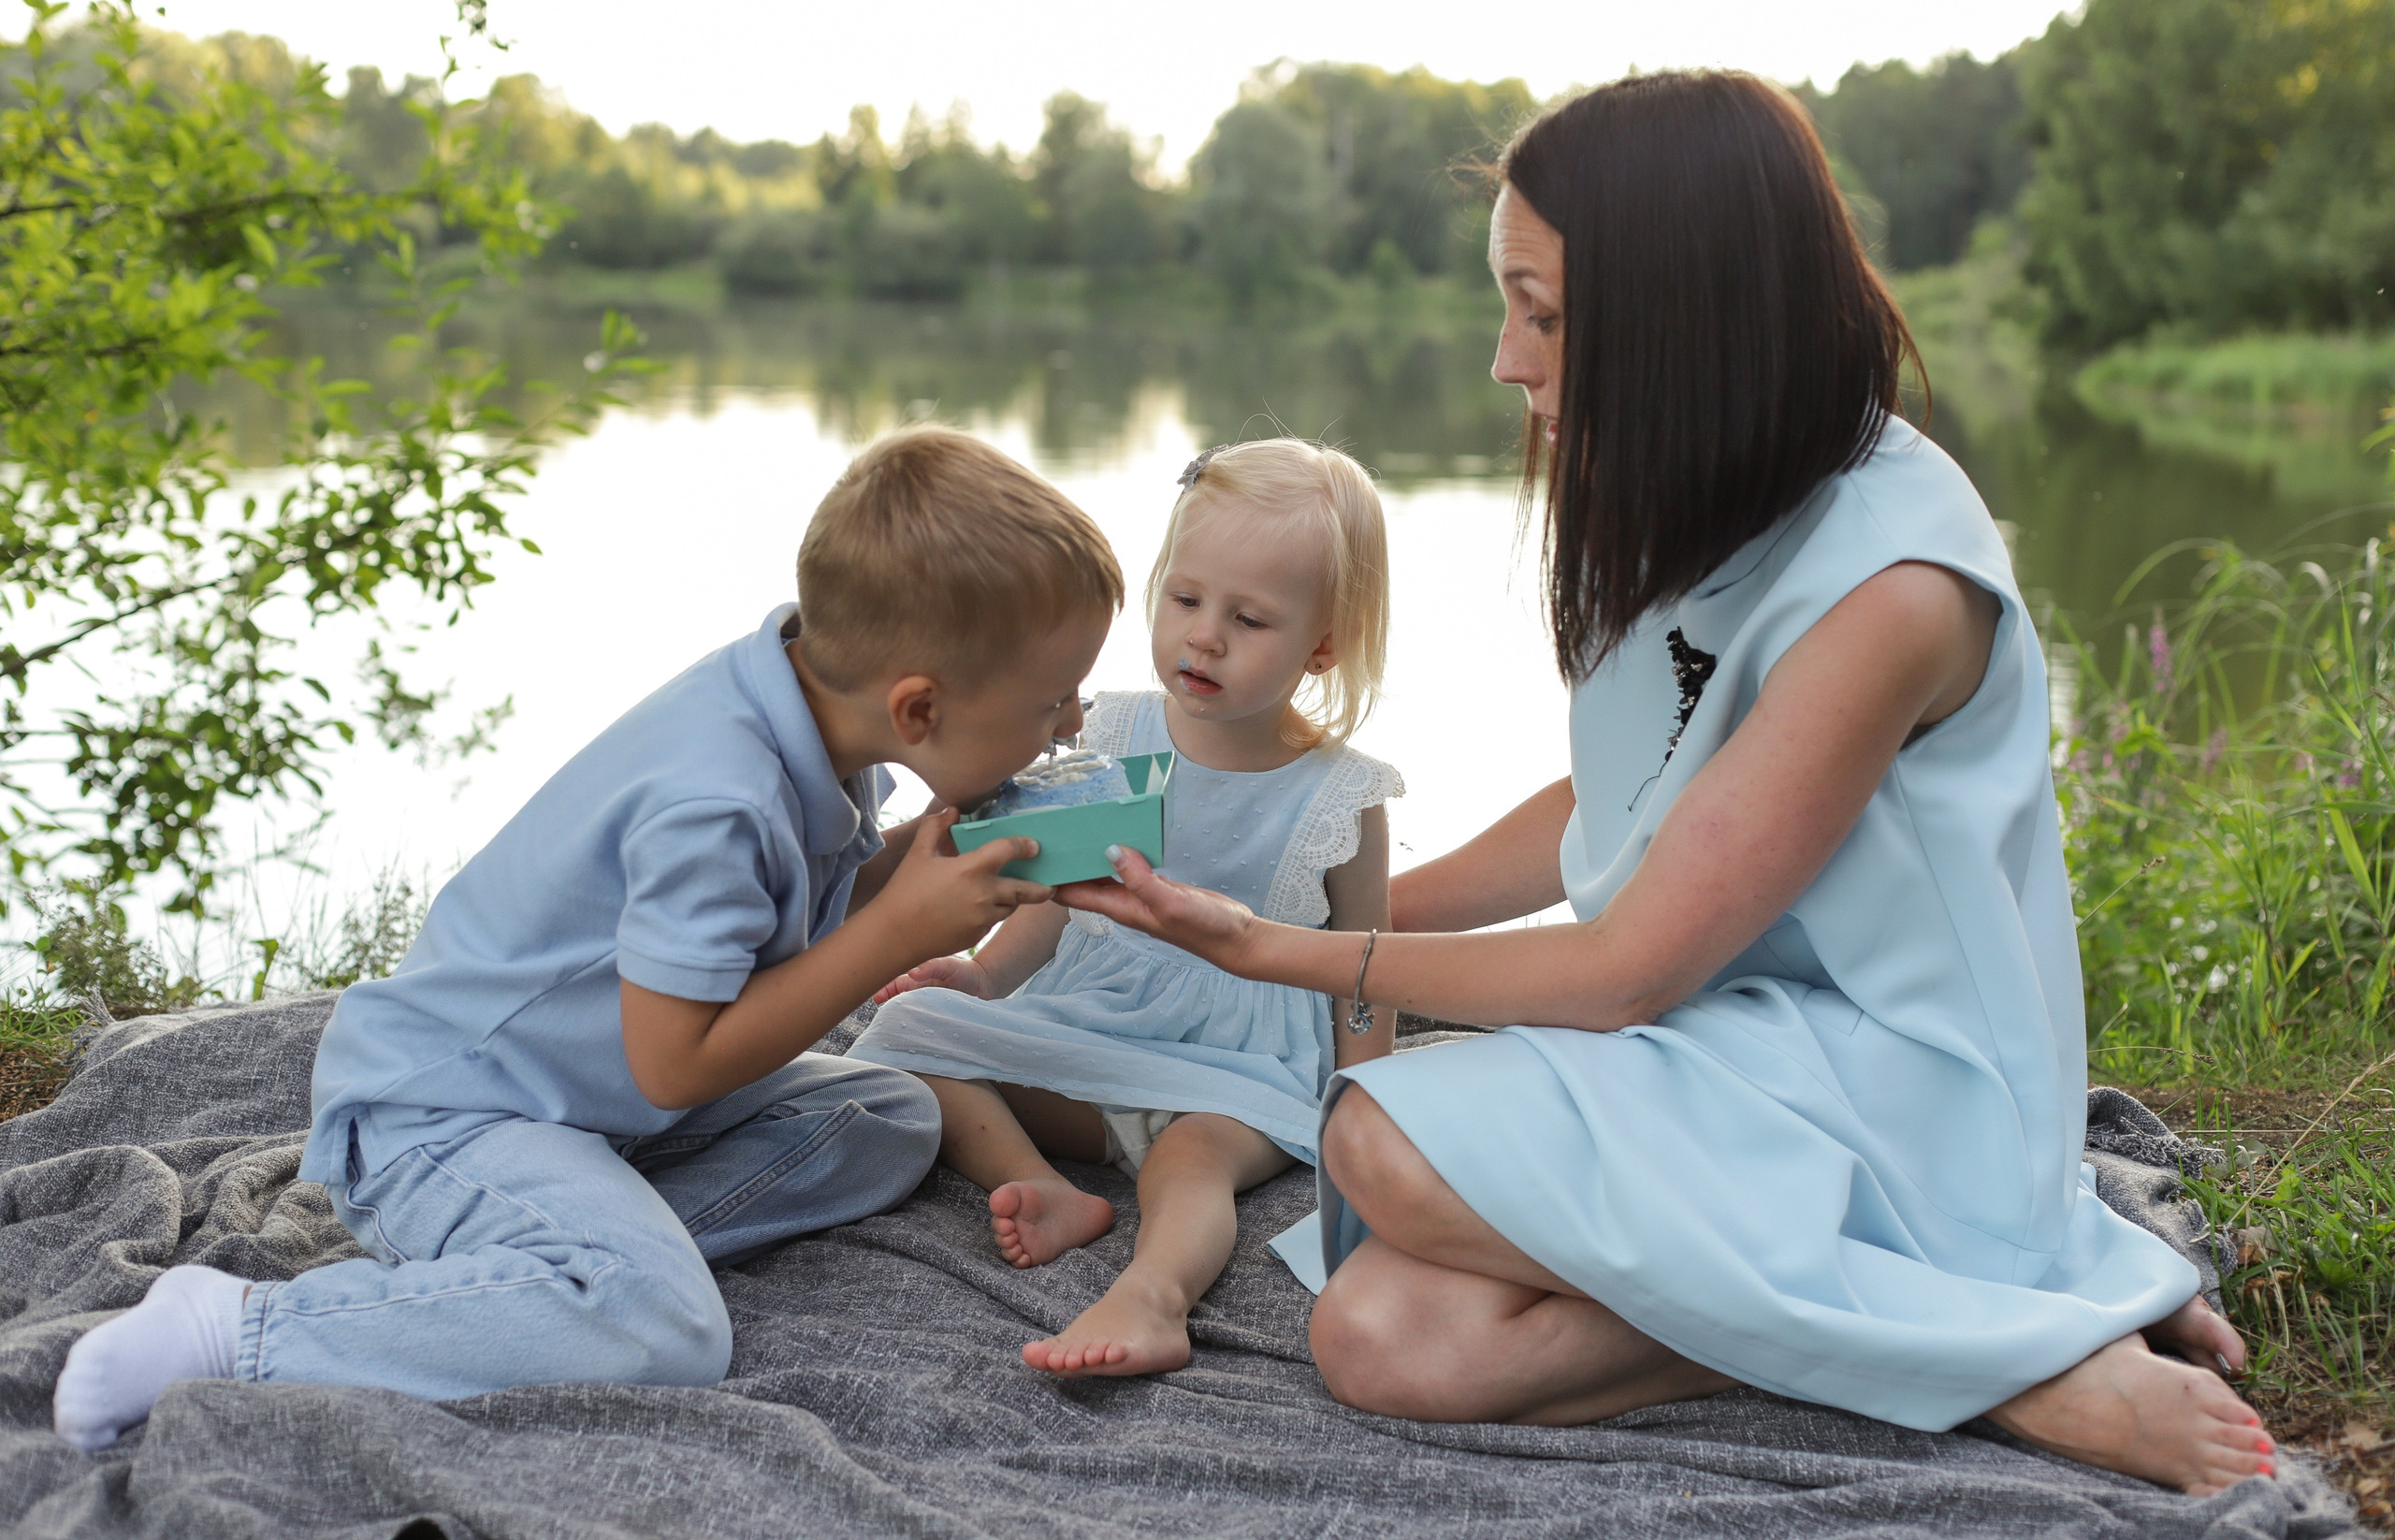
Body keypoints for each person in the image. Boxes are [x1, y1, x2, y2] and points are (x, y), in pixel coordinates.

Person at [1060, 73, 2279, 1499]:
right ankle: (1941, 1326)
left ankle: (2008, 1345)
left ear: (1684, 311)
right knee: (1383, 1335)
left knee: (1380, 1138)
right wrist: (1277, 883)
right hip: (1740, 1047)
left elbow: (1632, 963)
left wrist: (1283, 950)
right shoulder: (1707, 490)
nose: (1507, 363)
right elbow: (1622, 807)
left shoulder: (1891, 585)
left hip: (1897, 1078)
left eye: (1543, 312)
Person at [52, 426, 1119, 1450]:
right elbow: (675, 1062)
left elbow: (785, 925)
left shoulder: (816, 708)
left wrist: (920, 863)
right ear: (920, 707)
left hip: (587, 1114)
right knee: (670, 1330)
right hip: (447, 1119)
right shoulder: (716, 797)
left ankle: (555, 1264)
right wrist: (898, 930)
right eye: (1052, 702)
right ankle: (237, 1327)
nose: (1068, 727)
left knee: (886, 1115)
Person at [850, 439, 1401, 1378]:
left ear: (1322, 644)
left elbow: (1364, 967)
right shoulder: (1109, 729)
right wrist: (984, 974)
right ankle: (1035, 1181)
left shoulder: (1338, 796)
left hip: (1237, 1063)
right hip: (1095, 1021)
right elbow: (1064, 895)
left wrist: (1366, 1103)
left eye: (1250, 618)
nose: (1204, 637)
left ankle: (1151, 1298)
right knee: (905, 1030)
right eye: (1185, 600)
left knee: (1188, 1164)